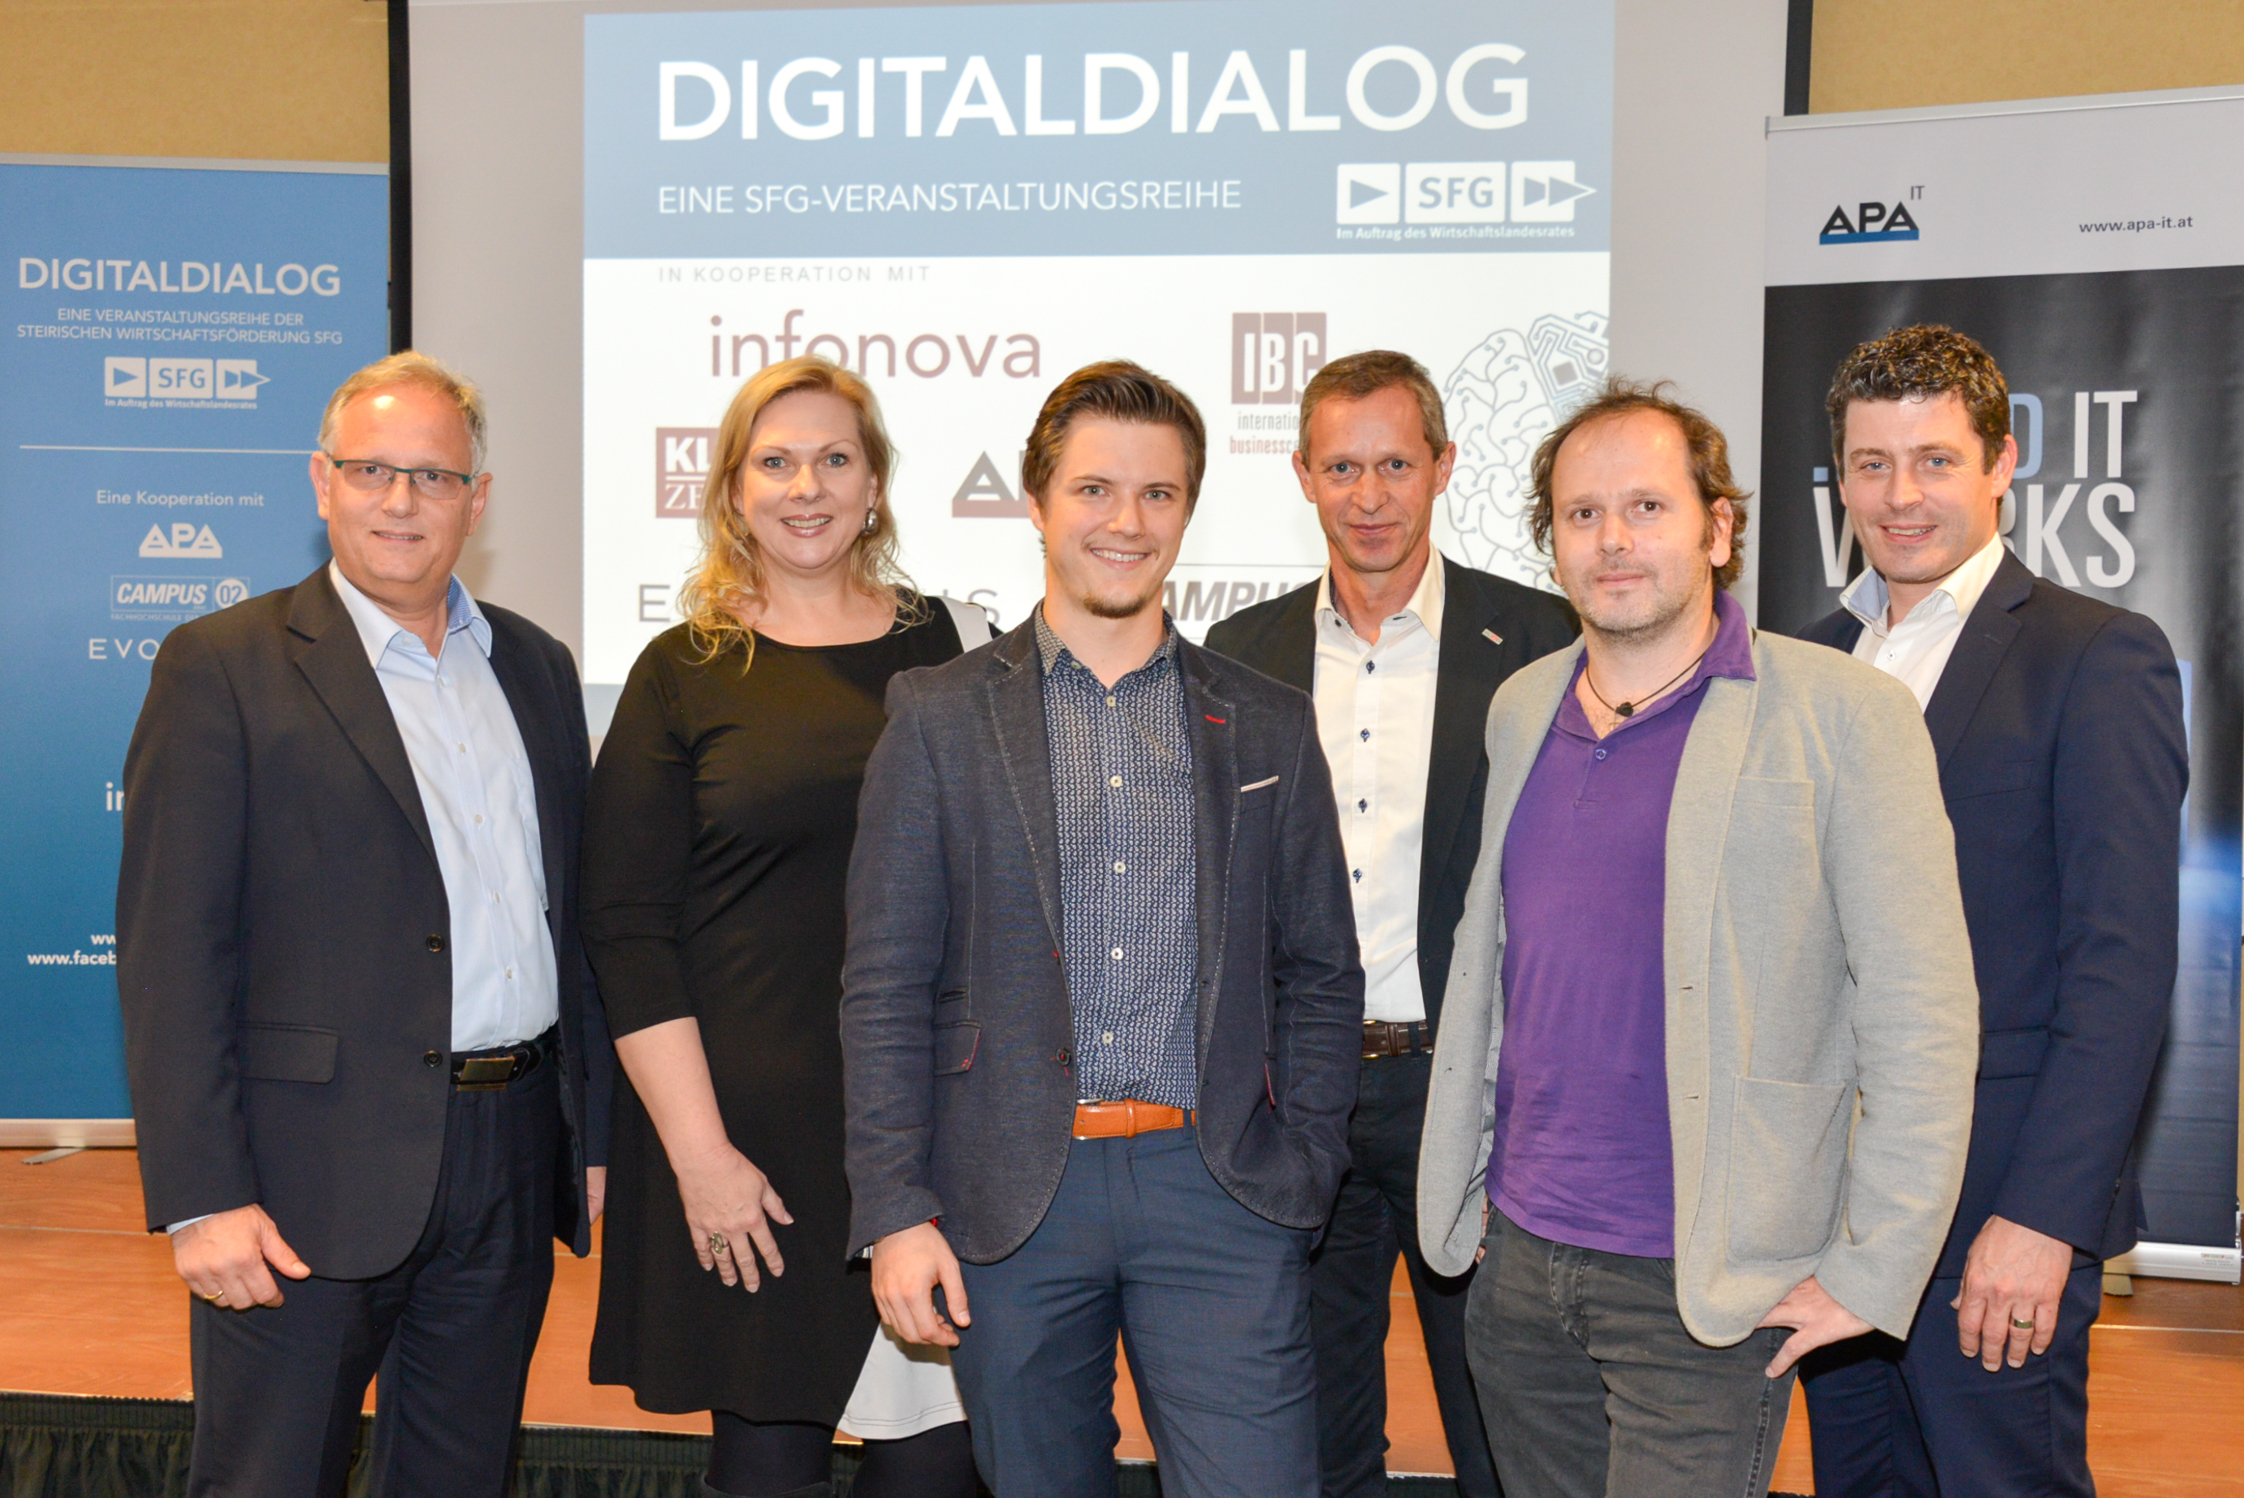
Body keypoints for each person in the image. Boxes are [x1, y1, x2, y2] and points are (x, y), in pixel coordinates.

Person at [1416, 379, 1981, 1498]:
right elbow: (1499, 970)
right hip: (1519, 1265)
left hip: (1705, 1289)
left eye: (1648, 507)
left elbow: (1921, 1011)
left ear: (1719, 528)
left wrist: (1873, 1269)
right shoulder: (1521, 706)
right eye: (1582, 514)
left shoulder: (1844, 714)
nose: (1613, 540)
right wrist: (1469, 1188)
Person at [840, 360, 1366, 1498]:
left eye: (1158, 493)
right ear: (1036, 503)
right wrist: (895, 1207)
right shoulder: (938, 715)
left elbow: (1321, 970)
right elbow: (884, 982)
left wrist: (1307, 1166)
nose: (1126, 521)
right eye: (1093, 489)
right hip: (1010, 1197)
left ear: (1187, 510)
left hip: (1219, 1188)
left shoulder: (1268, 721)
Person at [117, 351, 613, 1496]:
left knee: (460, 1476)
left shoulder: (537, 667)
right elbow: (171, 954)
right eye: (372, 470)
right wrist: (202, 1195)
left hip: (510, 1152)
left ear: (477, 501)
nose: (401, 501)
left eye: (434, 476)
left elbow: (575, 920)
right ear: (321, 480)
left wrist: (591, 1141)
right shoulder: (222, 667)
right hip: (303, 1175)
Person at [1794, 326, 2188, 1498]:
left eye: (1934, 460)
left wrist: (2043, 1218)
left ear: (2002, 462)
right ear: (1840, 478)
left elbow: (2121, 969)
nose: (1900, 496)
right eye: (1872, 464)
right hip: (1832, 1217)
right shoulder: (1805, 664)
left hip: (1996, 1214)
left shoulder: (2097, 656)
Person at [582, 357, 985, 1498]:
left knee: (940, 1466)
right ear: (732, 491)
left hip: (926, 1138)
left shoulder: (955, 652)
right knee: (766, 1463)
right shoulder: (682, 671)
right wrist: (701, 1158)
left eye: (834, 458)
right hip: (747, 1152)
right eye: (775, 462)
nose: (806, 487)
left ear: (875, 485)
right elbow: (626, 928)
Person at [1205, 349, 1575, 1498]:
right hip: (1297, 1090)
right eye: (1342, 467)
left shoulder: (1546, 638)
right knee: (1314, 1431)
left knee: (1497, 1418)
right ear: (1303, 475)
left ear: (1444, 467)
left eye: (1396, 465)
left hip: (1467, 1086)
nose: (1369, 496)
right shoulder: (1235, 656)